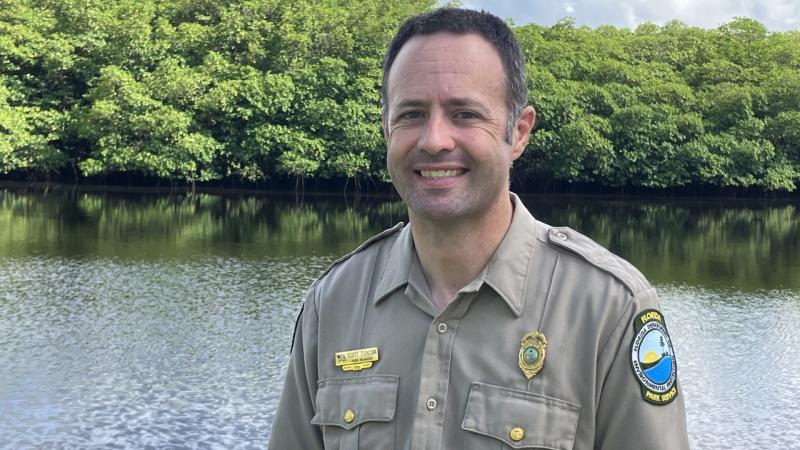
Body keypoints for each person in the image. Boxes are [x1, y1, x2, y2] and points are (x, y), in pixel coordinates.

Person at [269, 8, 689, 450]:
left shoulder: (609, 308)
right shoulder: (333, 302)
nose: (433, 140)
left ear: (519, 132)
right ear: (385, 128)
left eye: (465, 114)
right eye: (411, 113)